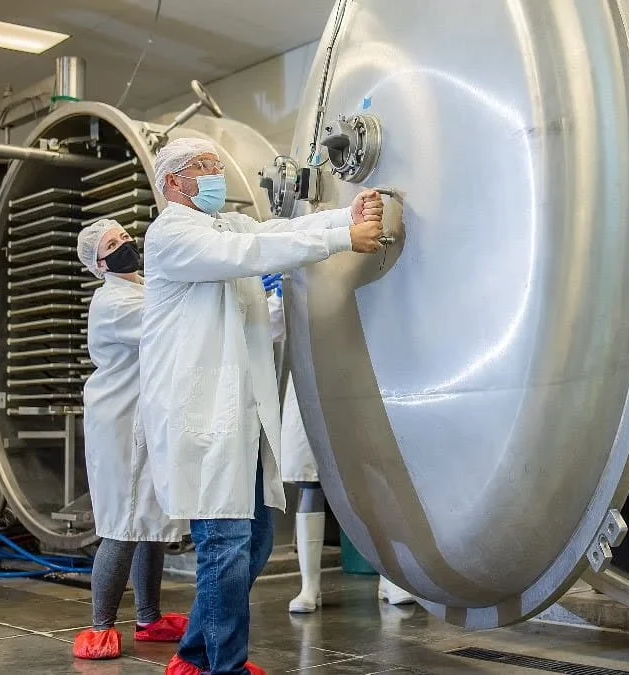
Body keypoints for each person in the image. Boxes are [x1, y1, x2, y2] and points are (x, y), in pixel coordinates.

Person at [138, 137, 385, 675]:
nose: (214, 174)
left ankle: (193, 656)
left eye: (215, 165)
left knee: (251, 543)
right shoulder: (171, 236)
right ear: (173, 184)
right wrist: (345, 238)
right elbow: (249, 256)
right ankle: (223, 666)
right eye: (201, 168)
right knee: (225, 544)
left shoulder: (221, 223)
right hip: (200, 416)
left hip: (240, 415)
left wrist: (346, 212)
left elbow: (277, 232)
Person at [260, 274, 416, 613]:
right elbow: (269, 330)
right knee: (310, 484)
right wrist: (273, 296)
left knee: (374, 482)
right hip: (312, 390)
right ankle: (309, 587)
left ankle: (390, 579)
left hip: (357, 388)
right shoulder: (298, 281)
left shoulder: (362, 274)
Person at [73, 219, 189, 661]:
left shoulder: (140, 286)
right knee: (123, 525)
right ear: (98, 264)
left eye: (123, 236)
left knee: (151, 524)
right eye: (112, 245)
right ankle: (100, 626)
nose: (124, 245)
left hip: (148, 417)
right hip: (121, 421)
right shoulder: (113, 302)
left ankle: (148, 617)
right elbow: (167, 325)